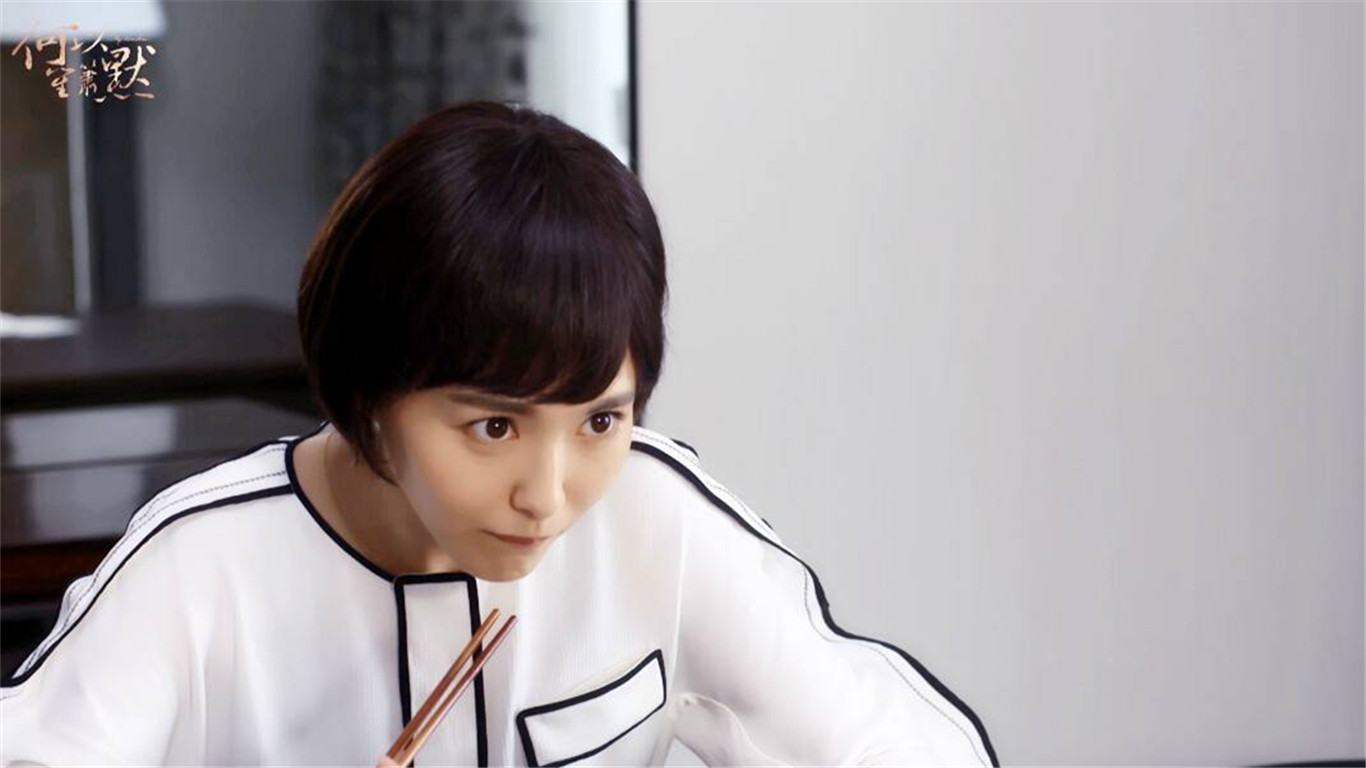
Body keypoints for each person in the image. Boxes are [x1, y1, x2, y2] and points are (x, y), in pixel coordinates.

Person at [0, 100, 998, 766]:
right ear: (372, 388)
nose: (549, 495)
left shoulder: (657, 519)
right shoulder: (199, 563)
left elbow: (897, 746)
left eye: (600, 418)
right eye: (491, 425)